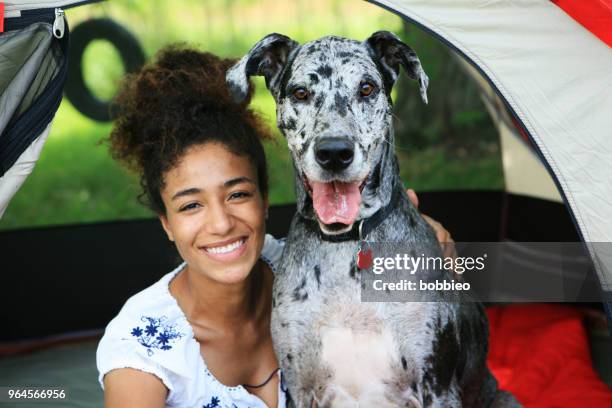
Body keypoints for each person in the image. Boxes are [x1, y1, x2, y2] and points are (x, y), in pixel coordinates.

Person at [96, 45, 455, 408]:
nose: (221, 224)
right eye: (191, 205)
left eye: (237, 195)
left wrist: (424, 231)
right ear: (166, 223)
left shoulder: (299, 265)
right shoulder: (141, 348)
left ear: (265, 199)